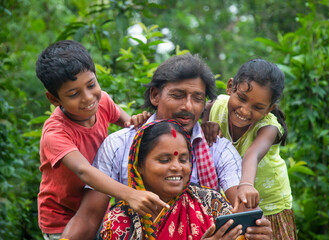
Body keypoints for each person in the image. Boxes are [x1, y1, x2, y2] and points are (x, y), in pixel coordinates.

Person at [61, 53, 245, 239]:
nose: (188, 106)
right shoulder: (120, 145)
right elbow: (89, 217)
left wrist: (256, 229)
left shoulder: (218, 149)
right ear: (155, 95)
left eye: (198, 98)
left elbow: (242, 214)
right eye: (178, 95)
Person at [36, 40, 152, 239]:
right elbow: (85, 171)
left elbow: (130, 127)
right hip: (62, 221)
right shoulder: (55, 133)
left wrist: (137, 121)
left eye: (91, 85)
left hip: (96, 209)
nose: (88, 98)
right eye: (74, 94)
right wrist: (130, 194)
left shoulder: (103, 101)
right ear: (54, 99)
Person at [99, 119, 272, 240]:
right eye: (164, 160)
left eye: (183, 159)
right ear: (139, 166)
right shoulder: (120, 221)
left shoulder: (210, 202)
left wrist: (258, 236)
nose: (177, 167)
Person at [202, 58, 297, 239]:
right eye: (242, 98)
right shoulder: (216, 105)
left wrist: (246, 185)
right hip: (235, 198)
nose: (245, 111)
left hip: (270, 204)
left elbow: (251, 155)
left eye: (257, 107)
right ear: (231, 87)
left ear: (270, 109)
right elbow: (204, 123)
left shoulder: (268, 127)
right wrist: (206, 125)